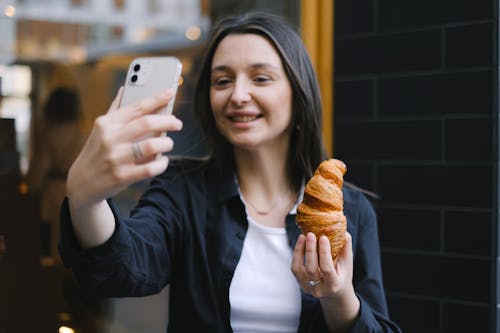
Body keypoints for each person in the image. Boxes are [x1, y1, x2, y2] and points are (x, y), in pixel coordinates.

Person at [59, 12, 401, 333]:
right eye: (222, 81)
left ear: (297, 94)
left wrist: (337, 296)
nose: (237, 95)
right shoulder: (182, 192)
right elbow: (121, 271)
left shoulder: (351, 211)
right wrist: (86, 200)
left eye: (260, 78)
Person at [25, 87, 86, 265]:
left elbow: (39, 171)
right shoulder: (83, 135)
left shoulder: (48, 134)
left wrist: (30, 187)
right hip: (76, 192)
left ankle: (52, 286)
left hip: (51, 193)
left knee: (50, 246)